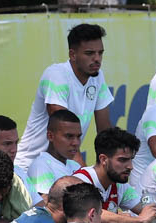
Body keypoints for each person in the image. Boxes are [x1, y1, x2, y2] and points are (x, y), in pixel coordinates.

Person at [16, 23, 113, 171]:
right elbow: (64, 132)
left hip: (63, 166)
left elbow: (105, 131)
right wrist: (88, 178)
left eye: (100, 53)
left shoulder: (97, 76)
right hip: (29, 168)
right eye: (89, 53)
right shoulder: (56, 75)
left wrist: (110, 168)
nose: (97, 59)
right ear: (72, 55)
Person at [23, 110, 83, 201]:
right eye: (69, 136)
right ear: (50, 136)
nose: (76, 142)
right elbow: (50, 207)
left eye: (78, 136)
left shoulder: (75, 165)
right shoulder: (40, 166)